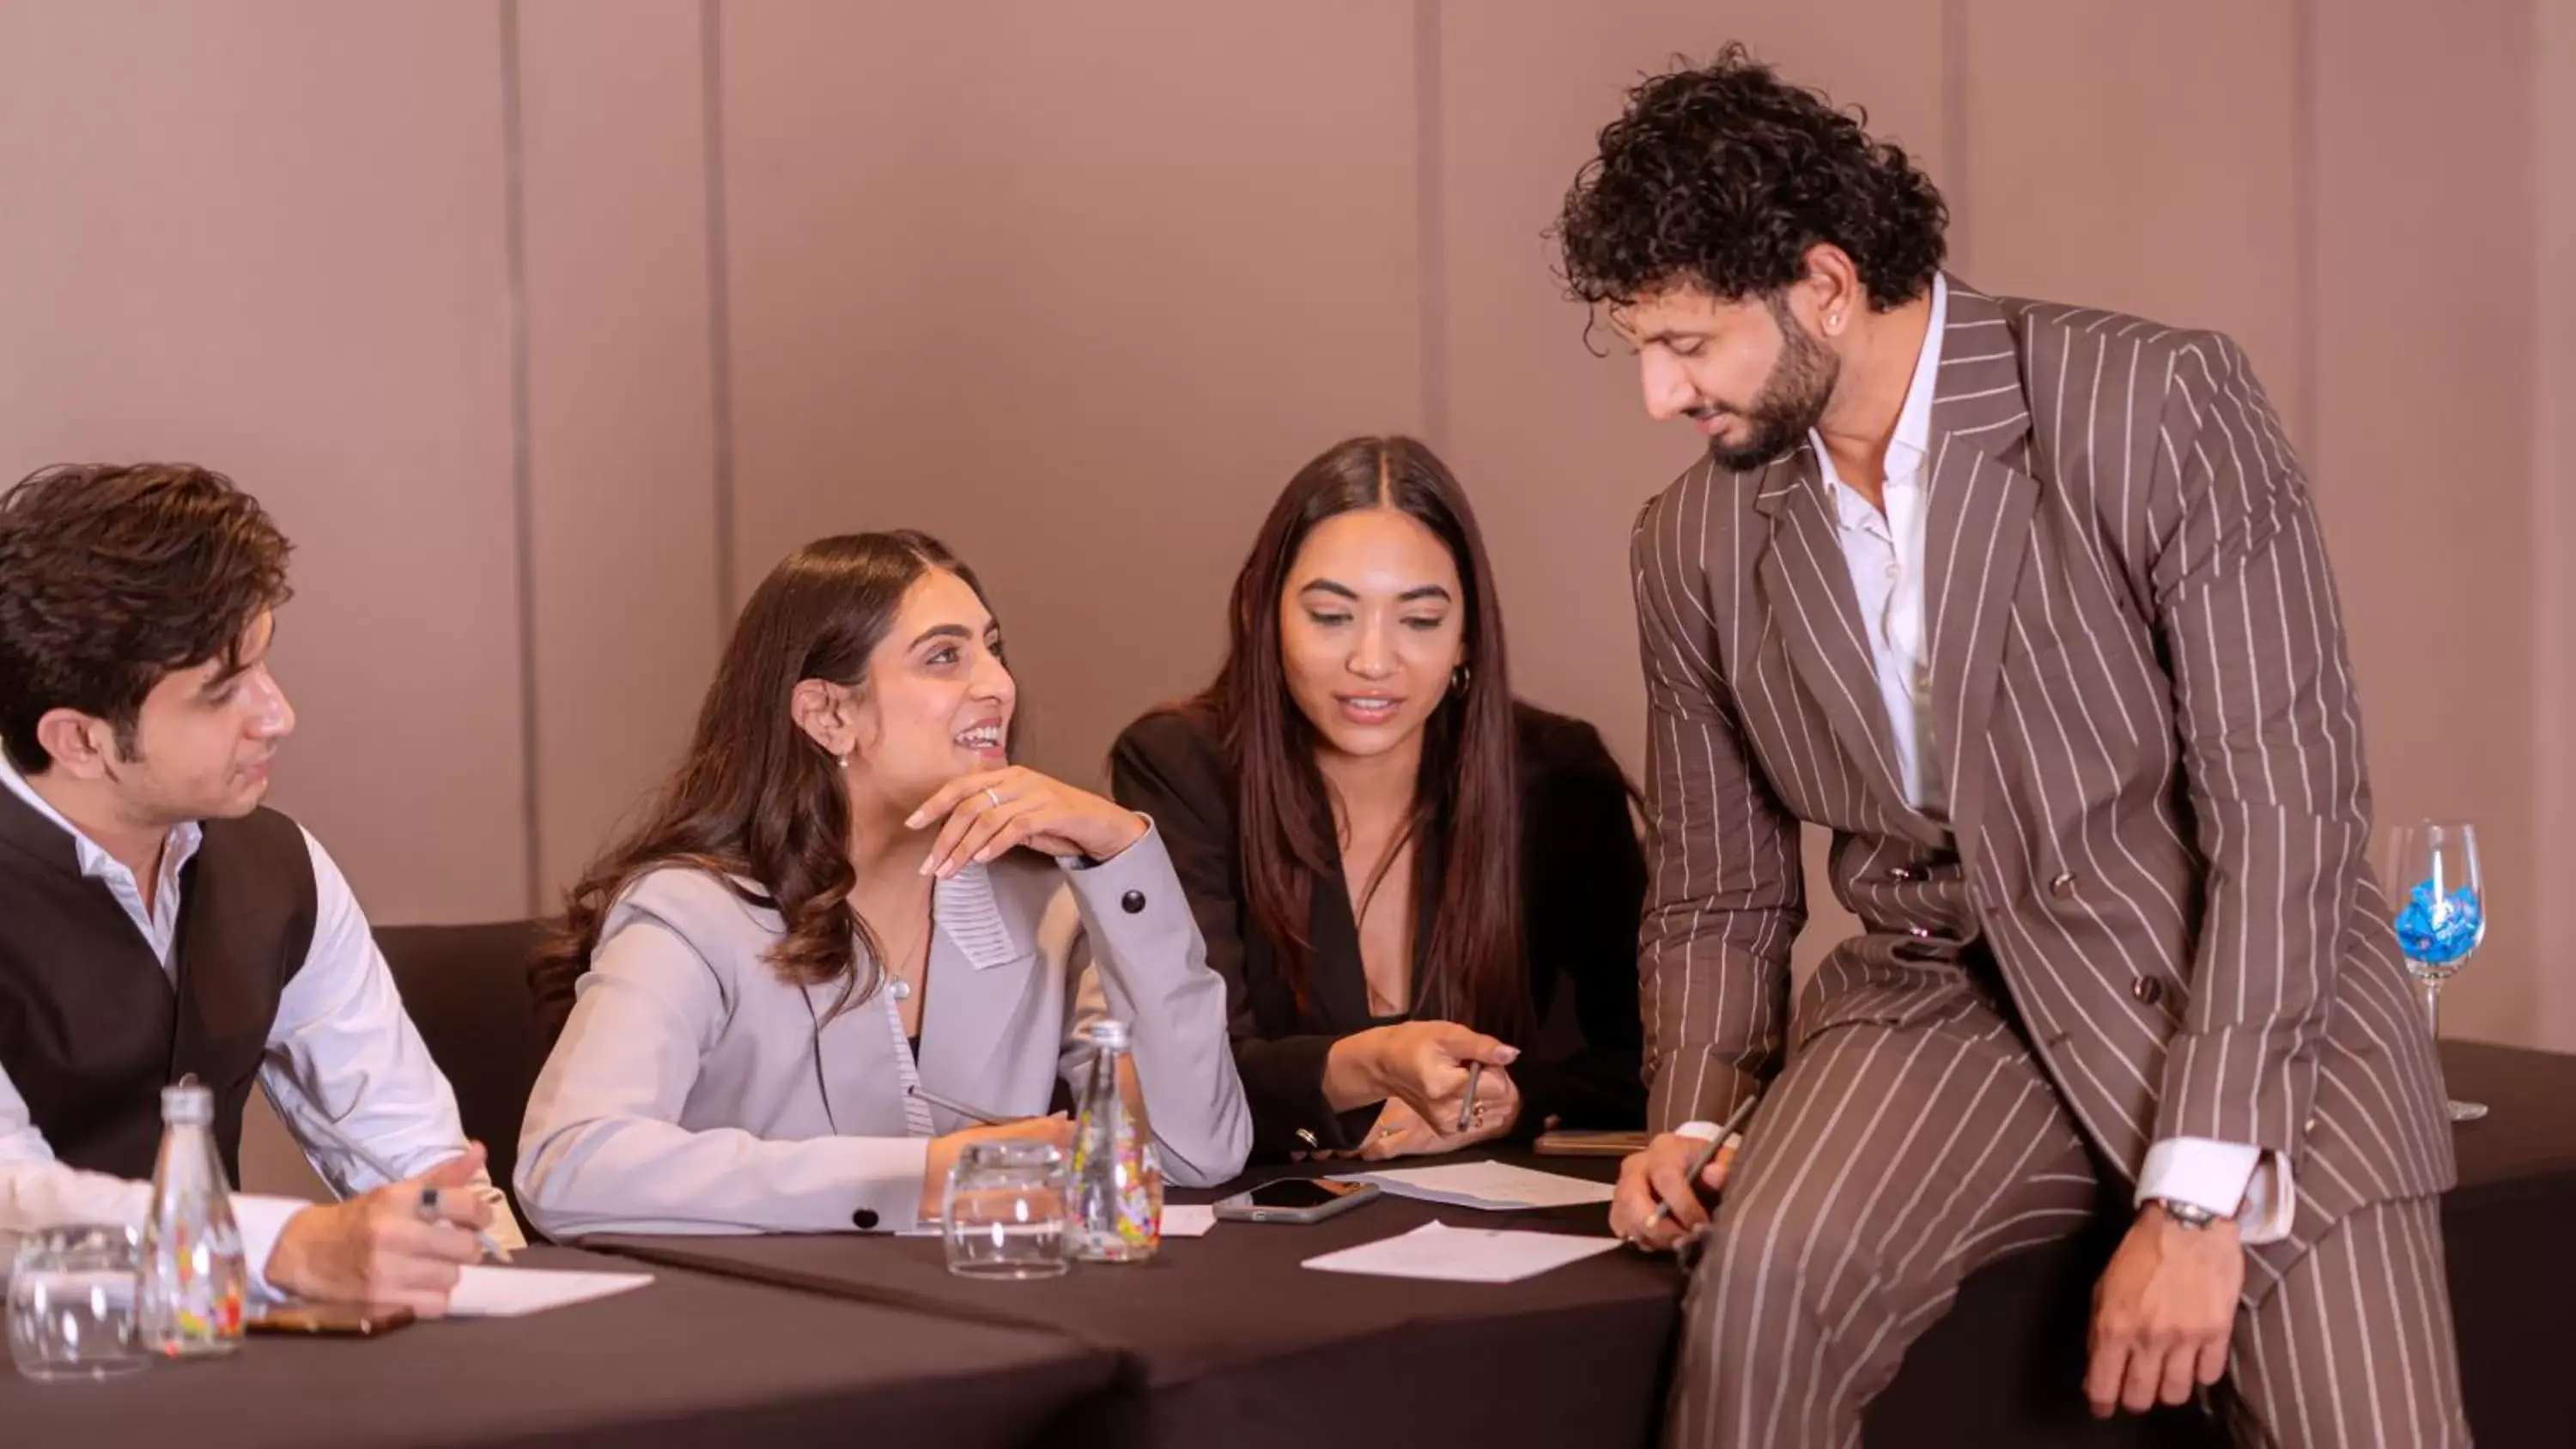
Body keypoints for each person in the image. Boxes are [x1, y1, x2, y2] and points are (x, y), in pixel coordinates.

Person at [1558, 47, 2466, 1446]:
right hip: (1937, 1005)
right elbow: (1718, 884)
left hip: (2243, 998)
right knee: (1757, 1308)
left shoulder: (2153, 402)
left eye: (1686, 344)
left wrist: (2196, 1199)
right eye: (1642, 353)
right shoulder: (1691, 544)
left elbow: (2285, 809)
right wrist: (1688, 1121)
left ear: (1824, 284)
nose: (1660, 399)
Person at [517, 530, 1250, 1238]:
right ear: (829, 714)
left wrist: (1123, 859)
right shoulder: (691, 910)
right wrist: (921, 1176)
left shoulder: (1044, 903)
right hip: (751, 1337)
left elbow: (1196, 1151)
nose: (999, 686)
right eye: (944, 658)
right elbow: (569, 1166)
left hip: (999, 1327)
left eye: (993, 650)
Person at [0, 463, 521, 1318]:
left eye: (265, 665)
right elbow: (12, 1204)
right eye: (222, 693)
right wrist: (292, 1242)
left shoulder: (278, 865)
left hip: (220, 1359)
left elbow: (406, 1143)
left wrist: (482, 1258)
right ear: (81, 739)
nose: (278, 714)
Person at [1110, 436, 1646, 1163]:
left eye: (1420, 621)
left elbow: (1650, 1057)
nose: (1373, 661)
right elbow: (1195, 1081)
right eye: (1332, 616)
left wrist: (1517, 1100)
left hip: (1503, 1227)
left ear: (1467, 640)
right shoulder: (1183, 767)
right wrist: (1374, 1063)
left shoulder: (1555, 775)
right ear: (1260, 616)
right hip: (1261, 1233)